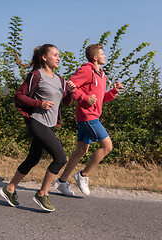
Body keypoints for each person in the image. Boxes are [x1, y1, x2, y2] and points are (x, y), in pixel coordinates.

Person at [0, 44, 75, 212]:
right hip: (37, 122)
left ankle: (10, 188)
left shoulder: (60, 80)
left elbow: (66, 103)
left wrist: (69, 92)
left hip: (51, 125)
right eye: (55, 55)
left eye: (59, 55)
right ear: (44, 57)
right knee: (61, 158)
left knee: (33, 159)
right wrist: (39, 103)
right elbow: (18, 96)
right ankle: (42, 193)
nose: (58, 58)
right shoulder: (36, 75)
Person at [54, 43, 124, 196]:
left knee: (81, 150)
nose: (105, 55)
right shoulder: (86, 70)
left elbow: (101, 98)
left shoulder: (102, 74)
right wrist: (85, 99)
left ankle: (61, 182)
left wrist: (114, 91)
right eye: (102, 53)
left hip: (92, 115)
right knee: (107, 147)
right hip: (87, 116)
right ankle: (83, 175)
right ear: (95, 57)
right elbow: (69, 86)